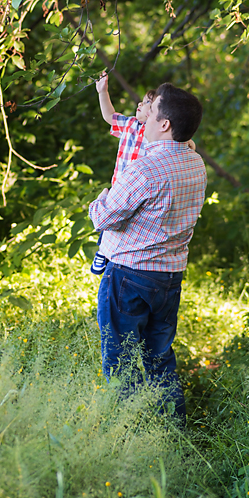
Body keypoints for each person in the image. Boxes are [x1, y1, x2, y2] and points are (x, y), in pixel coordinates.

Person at [88, 82, 206, 421]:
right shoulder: (196, 164)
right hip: (169, 278)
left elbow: (104, 217)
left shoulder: (143, 170)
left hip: (129, 276)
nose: (145, 115)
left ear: (164, 123)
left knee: (120, 359)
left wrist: (100, 197)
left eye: (151, 111)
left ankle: (129, 433)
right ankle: (172, 428)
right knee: (160, 356)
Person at [89, 72, 155, 275]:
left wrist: (190, 142)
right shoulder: (129, 125)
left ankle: (115, 254)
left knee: (129, 222)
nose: (139, 105)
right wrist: (103, 92)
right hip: (120, 184)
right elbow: (109, 116)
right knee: (111, 217)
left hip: (139, 188)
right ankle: (103, 249)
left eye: (146, 104)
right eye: (141, 101)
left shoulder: (156, 135)